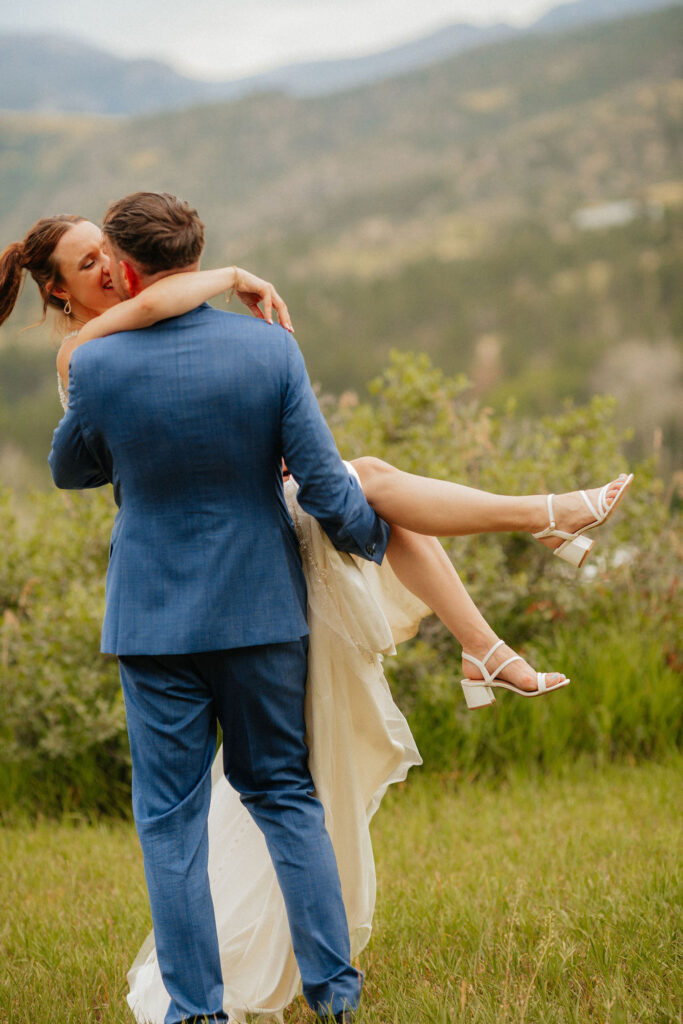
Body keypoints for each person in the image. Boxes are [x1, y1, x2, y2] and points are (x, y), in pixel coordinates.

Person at [0, 198, 631, 1022]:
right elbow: (325, 486)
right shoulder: (265, 348)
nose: (104, 271)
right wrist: (368, 536)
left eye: (104, 257)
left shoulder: (92, 365)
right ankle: (335, 995)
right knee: (286, 796)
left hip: (153, 616)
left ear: (126, 263)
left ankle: (196, 1012)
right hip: (260, 603)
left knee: (169, 824)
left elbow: (70, 468)